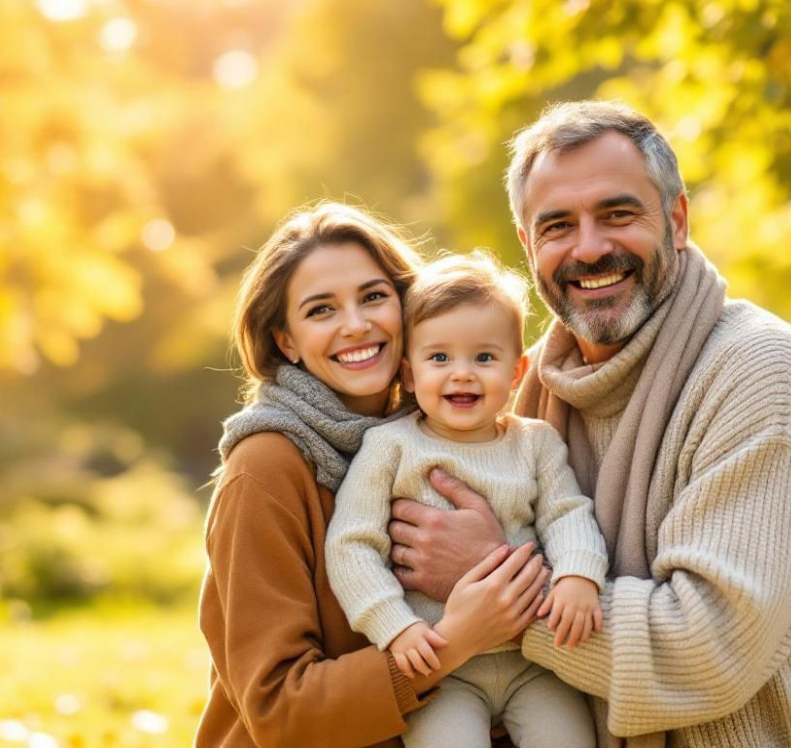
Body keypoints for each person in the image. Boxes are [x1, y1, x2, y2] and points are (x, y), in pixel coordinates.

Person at [387, 102, 791, 747]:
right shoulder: (527, 392)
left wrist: (494, 581)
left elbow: (707, 649)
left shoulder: (765, 378)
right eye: (557, 226)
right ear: (529, 247)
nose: (589, 248)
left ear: (677, 220)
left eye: (618, 214)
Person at [197, 203, 552, 748]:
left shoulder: (445, 436)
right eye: (320, 311)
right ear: (286, 341)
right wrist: (452, 642)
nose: (356, 325)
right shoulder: (266, 468)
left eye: (373, 296)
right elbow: (278, 709)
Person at [327, 251, 607, 748]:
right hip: (442, 667)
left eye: (484, 357)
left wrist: (578, 574)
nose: (462, 374)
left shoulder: (535, 443)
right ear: (409, 374)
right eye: (439, 358)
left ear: (517, 372)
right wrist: (394, 627)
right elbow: (351, 545)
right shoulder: (391, 447)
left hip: (534, 664)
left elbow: (568, 513)